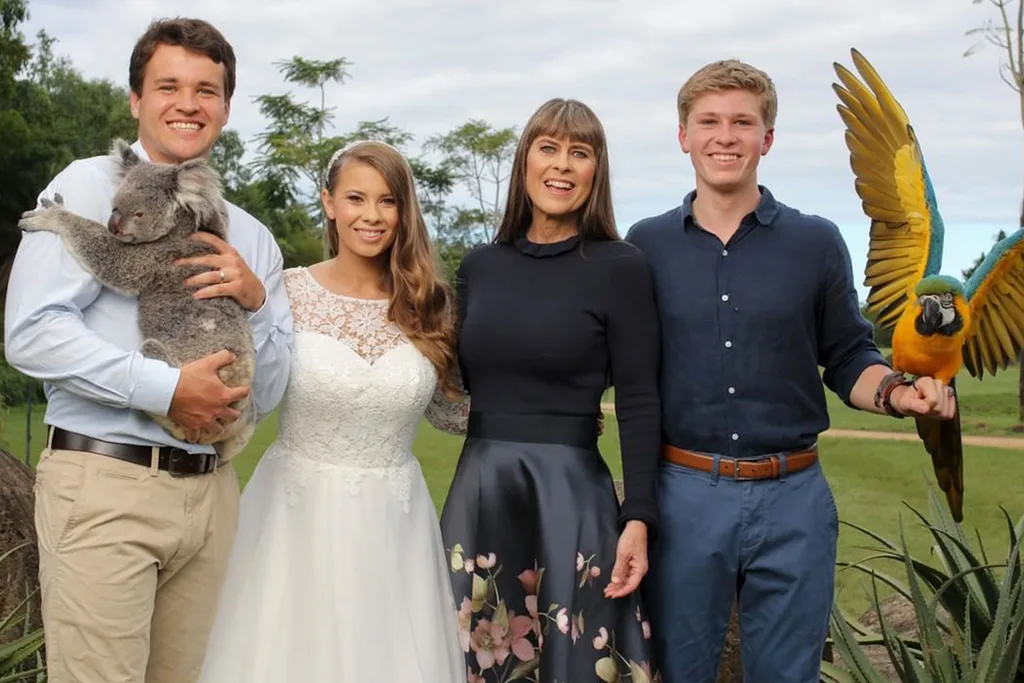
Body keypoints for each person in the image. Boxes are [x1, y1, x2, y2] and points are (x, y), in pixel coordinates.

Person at [625, 59, 958, 683]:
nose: (726, 136)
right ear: (683, 135)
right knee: (676, 671)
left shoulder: (815, 241)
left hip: (793, 499)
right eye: (710, 122)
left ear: (767, 139)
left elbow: (849, 355)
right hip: (685, 493)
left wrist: (896, 391)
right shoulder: (644, 246)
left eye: (743, 123)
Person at [3, 17, 294, 683]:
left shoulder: (251, 237)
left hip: (214, 494)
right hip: (107, 484)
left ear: (225, 104)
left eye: (206, 89)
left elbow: (272, 390)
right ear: (137, 100)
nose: (188, 102)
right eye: (168, 85)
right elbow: (30, 332)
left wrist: (255, 303)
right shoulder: (85, 187)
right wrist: (164, 388)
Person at [196, 140, 471, 682]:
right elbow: (246, 386)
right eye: (356, 198)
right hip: (296, 517)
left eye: (387, 201)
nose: (371, 215)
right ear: (328, 203)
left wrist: (552, 411)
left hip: (396, 522)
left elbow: (450, 413)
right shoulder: (284, 292)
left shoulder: (430, 304)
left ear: (404, 210)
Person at [440, 98, 662, 683]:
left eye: (580, 152)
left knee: (580, 663)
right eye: (549, 148)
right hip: (482, 491)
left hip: (571, 496)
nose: (562, 165)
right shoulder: (481, 266)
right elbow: (448, 379)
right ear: (525, 162)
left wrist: (638, 516)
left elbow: (639, 400)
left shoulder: (621, 266)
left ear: (596, 170)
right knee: (476, 658)